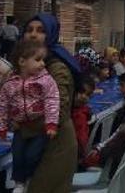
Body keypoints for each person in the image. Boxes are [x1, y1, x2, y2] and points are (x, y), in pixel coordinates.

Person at [21, 13, 82, 193]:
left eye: (40, 31)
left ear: (51, 35)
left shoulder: (57, 67)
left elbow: (58, 111)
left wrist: (21, 124)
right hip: (37, 141)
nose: (33, 35)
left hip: (57, 145)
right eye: (29, 30)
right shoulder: (29, 64)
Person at [0, 39, 60, 193]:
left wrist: (51, 123)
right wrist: (2, 127)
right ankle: (19, 183)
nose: (43, 64)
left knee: (32, 155)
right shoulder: (10, 83)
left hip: (39, 126)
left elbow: (52, 100)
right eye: (37, 60)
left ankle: (30, 179)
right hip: (20, 127)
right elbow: (2, 105)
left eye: (43, 59)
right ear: (22, 61)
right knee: (17, 155)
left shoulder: (46, 80)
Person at [72, 77, 96, 166]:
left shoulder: (81, 116)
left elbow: (81, 141)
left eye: (88, 95)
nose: (84, 97)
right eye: (81, 92)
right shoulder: (80, 112)